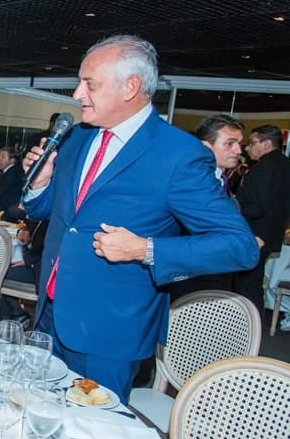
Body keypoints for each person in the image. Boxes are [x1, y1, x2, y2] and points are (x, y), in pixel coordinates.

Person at [22, 34, 258, 402]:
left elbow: (240, 246)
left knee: (96, 430)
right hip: (50, 312)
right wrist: (39, 185)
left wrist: (145, 249)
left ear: (130, 87)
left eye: (90, 84)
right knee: (39, 412)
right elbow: (53, 214)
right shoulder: (77, 137)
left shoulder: (177, 153)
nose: (77, 94)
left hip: (110, 329)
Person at [169, 115, 246, 299]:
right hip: (192, 277)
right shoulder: (192, 182)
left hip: (217, 274)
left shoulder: (221, 180)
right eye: (230, 143)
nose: (238, 150)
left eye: (239, 143)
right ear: (205, 146)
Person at [234, 124, 290, 313]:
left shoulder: (264, 167)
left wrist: (232, 208)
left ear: (267, 144)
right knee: (252, 283)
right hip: (271, 233)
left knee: (246, 287)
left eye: (251, 143)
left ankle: (248, 325)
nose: (247, 148)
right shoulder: (284, 164)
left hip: (255, 235)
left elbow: (257, 206)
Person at [0, 147, 25, 222]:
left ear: (11, 160)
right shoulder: (12, 171)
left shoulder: (11, 173)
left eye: (3, 157)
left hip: (8, 214)